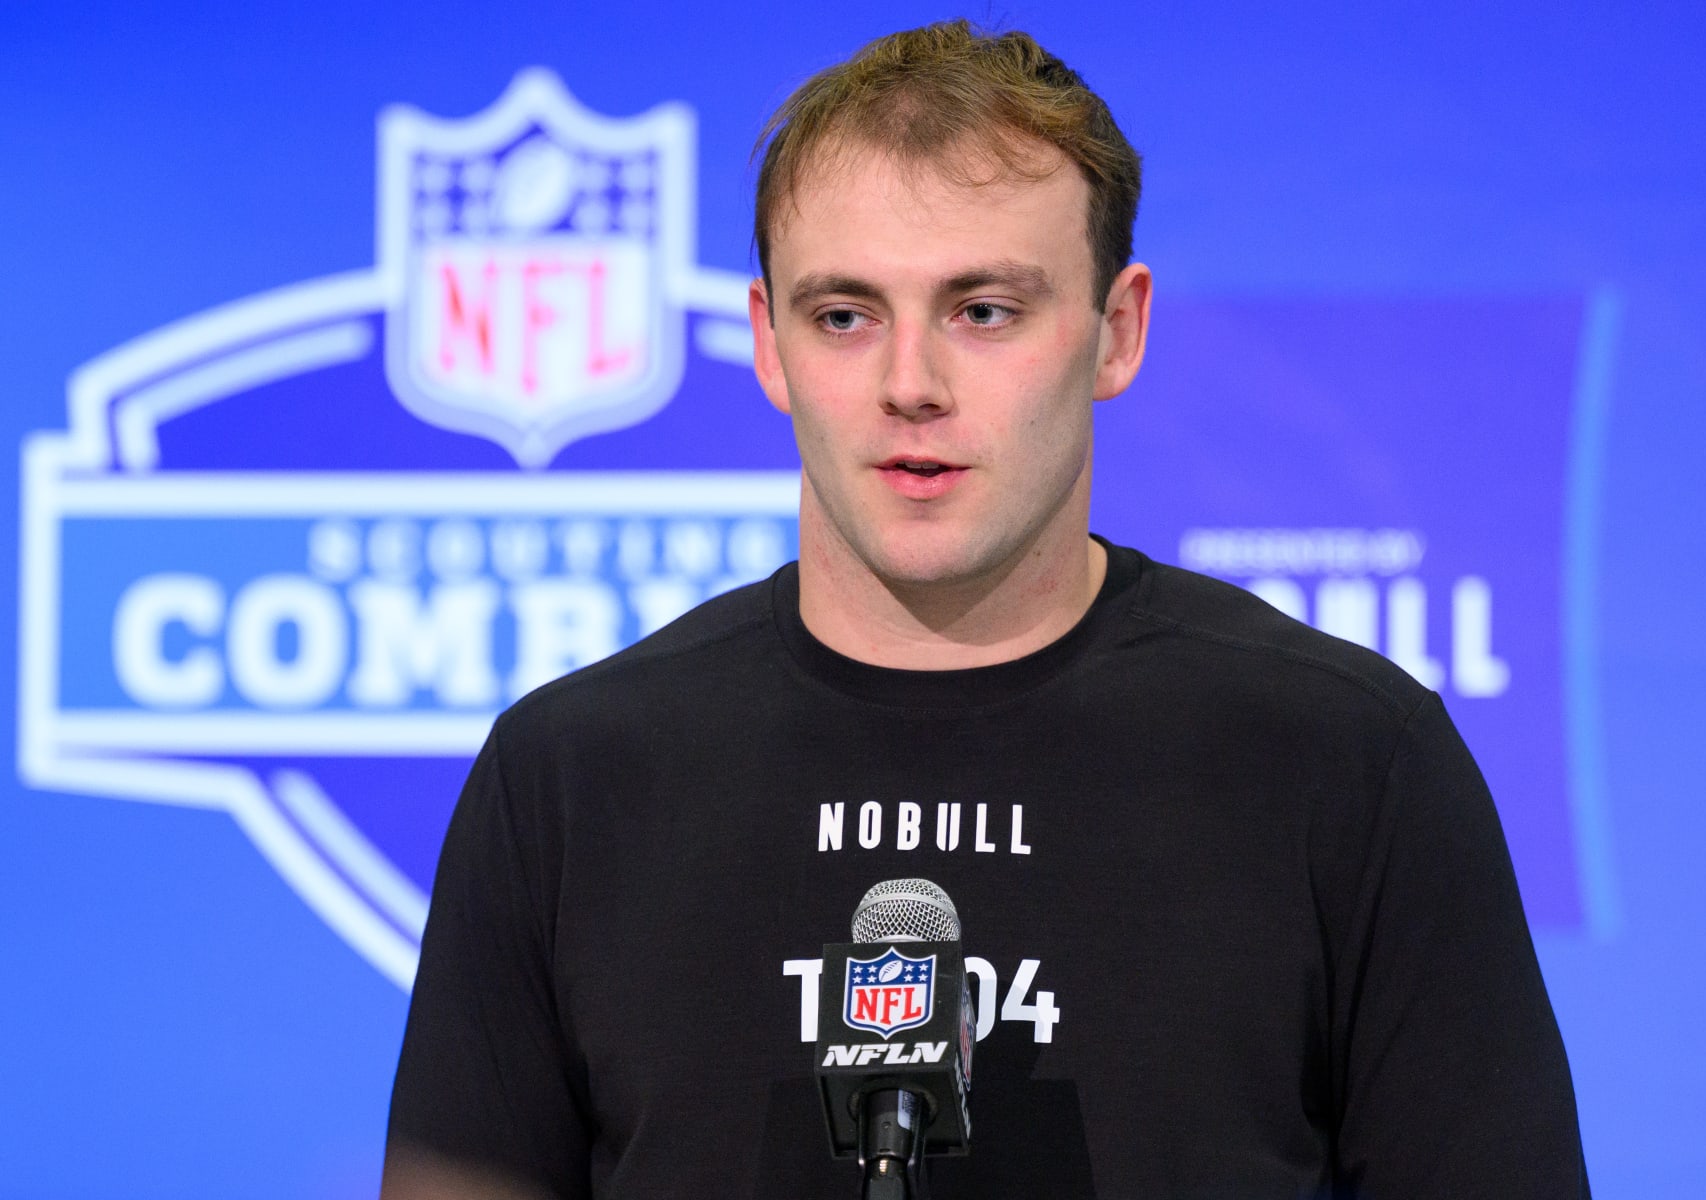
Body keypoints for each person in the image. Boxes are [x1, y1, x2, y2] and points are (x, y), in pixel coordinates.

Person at [383, 20, 1590, 1199]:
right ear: (768, 344)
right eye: (845, 316)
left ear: (1117, 332)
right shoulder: (574, 777)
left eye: (984, 311)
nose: (911, 386)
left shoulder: (1346, 759)